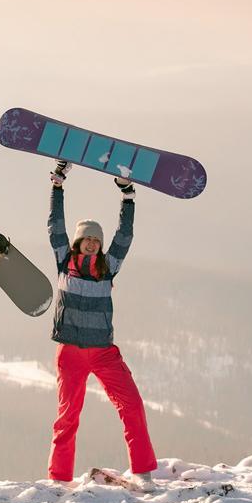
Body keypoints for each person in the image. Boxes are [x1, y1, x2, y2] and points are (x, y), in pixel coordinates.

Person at [46, 160, 156, 484]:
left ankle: (144, 473)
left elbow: (125, 235)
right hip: (71, 352)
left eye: (96, 240)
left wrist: (128, 196)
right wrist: (57, 185)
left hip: (104, 352)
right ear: (78, 242)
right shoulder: (64, 262)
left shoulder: (108, 267)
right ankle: (59, 478)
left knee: (132, 405)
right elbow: (55, 225)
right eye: (87, 240)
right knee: (67, 417)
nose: (92, 244)